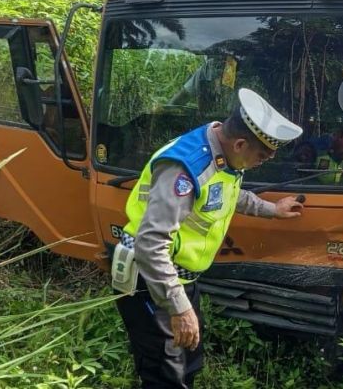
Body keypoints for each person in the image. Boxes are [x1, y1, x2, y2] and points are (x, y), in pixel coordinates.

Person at [112, 88, 305, 388]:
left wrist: (272, 209)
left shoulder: (223, 153)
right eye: (262, 156)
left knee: (189, 360)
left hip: (181, 278)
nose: (264, 161)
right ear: (240, 144)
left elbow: (224, 193)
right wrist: (178, 307)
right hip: (149, 276)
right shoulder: (185, 169)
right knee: (166, 374)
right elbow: (150, 245)